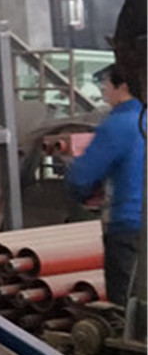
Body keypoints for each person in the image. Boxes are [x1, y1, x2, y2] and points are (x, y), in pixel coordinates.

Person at [66, 63, 145, 305]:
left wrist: (84, 193)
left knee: (126, 306)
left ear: (123, 87)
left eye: (105, 83)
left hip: (128, 226)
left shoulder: (118, 125)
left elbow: (81, 176)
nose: (102, 89)